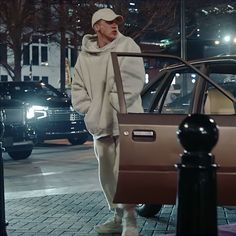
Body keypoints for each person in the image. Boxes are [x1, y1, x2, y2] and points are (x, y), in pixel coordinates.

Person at [71, 8, 145, 236]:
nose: (115, 26)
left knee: (125, 170)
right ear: (97, 27)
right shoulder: (84, 56)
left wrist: (112, 103)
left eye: (117, 22)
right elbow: (77, 88)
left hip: (125, 118)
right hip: (99, 124)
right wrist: (91, 110)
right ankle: (118, 215)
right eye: (109, 22)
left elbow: (133, 78)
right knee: (107, 173)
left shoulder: (128, 45)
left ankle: (130, 220)